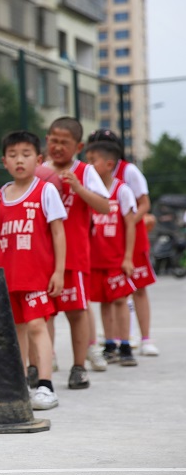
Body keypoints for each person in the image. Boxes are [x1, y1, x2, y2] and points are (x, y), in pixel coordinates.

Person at [0, 131, 66, 410]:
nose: (20, 160)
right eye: (13, 155)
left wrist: (59, 271)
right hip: (8, 277)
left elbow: (58, 233)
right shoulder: (1, 197)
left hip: (37, 275)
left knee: (36, 326)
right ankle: (20, 384)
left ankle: (45, 385)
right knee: (16, 331)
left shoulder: (46, 190)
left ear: (39, 159)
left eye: (26, 154)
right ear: (4, 161)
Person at [41, 117, 110, 390]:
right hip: (42, 256)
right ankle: (43, 363)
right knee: (43, 315)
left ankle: (79, 366)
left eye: (64, 142)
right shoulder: (38, 170)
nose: (57, 146)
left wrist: (79, 188)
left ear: (78, 146)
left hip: (74, 256)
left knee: (77, 312)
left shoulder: (85, 171)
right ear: (47, 140)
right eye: (53, 140)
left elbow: (105, 206)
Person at [87, 129, 159, 356]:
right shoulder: (90, 176)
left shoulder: (129, 172)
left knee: (137, 288)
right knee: (109, 297)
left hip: (129, 239)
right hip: (105, 246)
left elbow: (144, 204)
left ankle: (145, 337)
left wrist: (124, 224)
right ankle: (113, 338)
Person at [85, 140, 139, 366]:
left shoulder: (122, 190)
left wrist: (128, 257)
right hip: (95, 260)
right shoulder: (89, 193)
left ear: (108, 164)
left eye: (92, 161)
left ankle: (125, 345)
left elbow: (130, 225)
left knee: (120, 301)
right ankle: (109, 343)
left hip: (116, 259)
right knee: (105, 303)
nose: (88, 166)